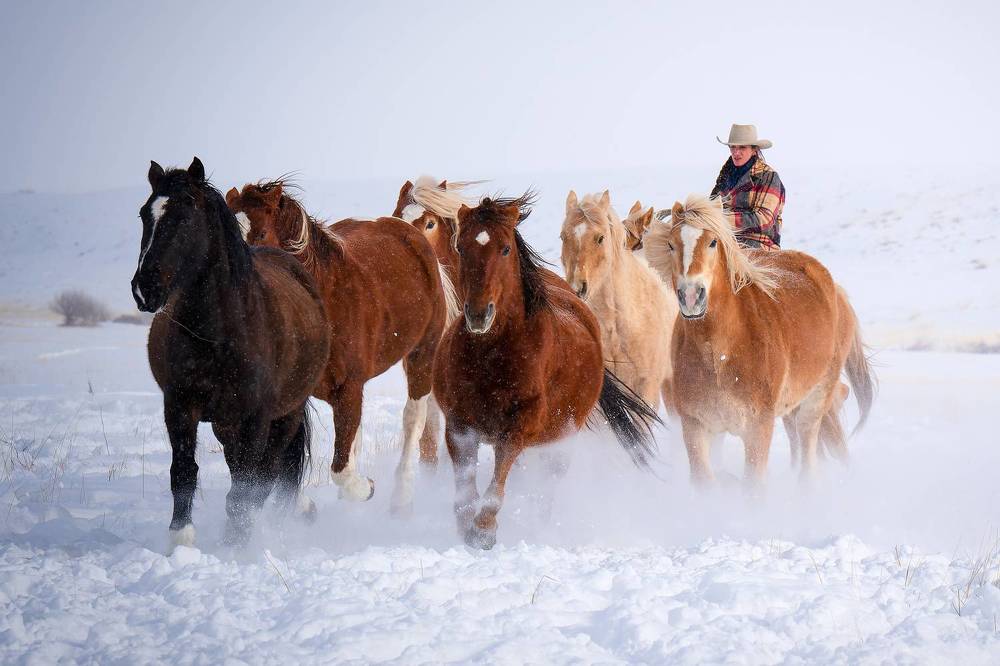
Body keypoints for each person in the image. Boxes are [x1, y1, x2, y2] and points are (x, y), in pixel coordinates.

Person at [711, 124, 785, 249]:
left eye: (742, 147)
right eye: (733, 147)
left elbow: (764, 219)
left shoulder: (768, 177)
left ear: (754, 150)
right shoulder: (725, 176)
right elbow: (712, 207)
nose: (736, 152)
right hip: (726, 240)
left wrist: (721, 220)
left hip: (759, 245)